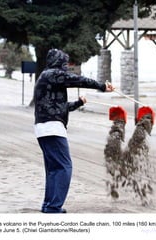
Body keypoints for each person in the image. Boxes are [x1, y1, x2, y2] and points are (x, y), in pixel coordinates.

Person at [34, 48, 114, 213]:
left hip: (43, 128)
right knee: (64, 167)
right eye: (64, 63)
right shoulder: (53, 74)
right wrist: (101, 86)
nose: (65, 67)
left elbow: (62, 107)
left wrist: (79, 103)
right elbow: (77, 80)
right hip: (52, 128)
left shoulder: (46, 77)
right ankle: (54, 207)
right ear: (59, 63)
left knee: (54, 169)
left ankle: (49, 205)